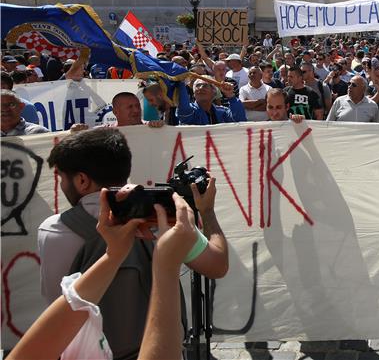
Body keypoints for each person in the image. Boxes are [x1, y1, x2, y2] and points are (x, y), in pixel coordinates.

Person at [38, 127, 229, 359]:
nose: (60, 185)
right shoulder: (165, 221)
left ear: (81, 180)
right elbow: (217, 264)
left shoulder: (53, 230)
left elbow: (57, 311)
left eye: (61, 178)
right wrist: (206, 211)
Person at [177, 78, 246, 125]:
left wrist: (230, 96)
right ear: (194, 94)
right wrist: (180, 82)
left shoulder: (223, 112)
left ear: (214, 93)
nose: (200, 88)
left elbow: (239, 121)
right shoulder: (190, 111)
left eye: (205, 85)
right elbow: (183, 105)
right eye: (197, 86)